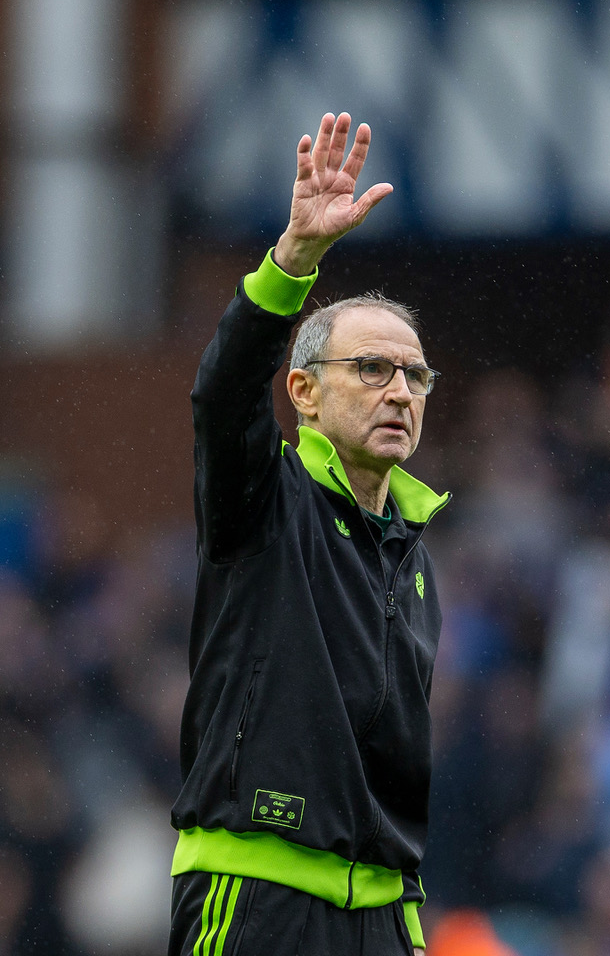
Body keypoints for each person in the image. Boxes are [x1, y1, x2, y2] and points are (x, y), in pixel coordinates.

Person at [168, 112, 449, 956]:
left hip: (384, 917)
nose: (400, 390)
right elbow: (221, 398)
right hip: (257, 894)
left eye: (416, 375)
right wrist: (293, 262)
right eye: (371, 368)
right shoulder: (263, 500)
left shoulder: (416, 550)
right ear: (303, 392)